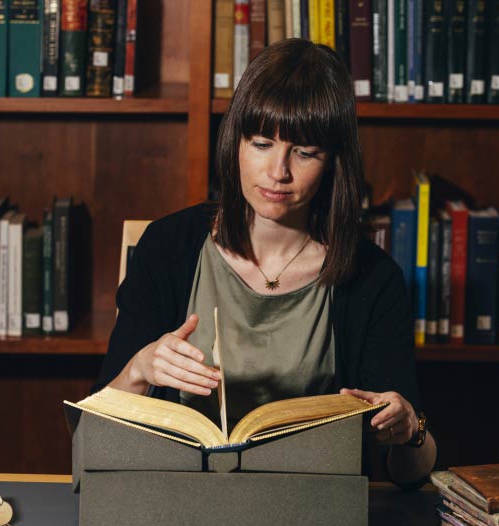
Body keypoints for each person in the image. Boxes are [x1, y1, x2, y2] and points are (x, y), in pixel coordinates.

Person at [93, 38, 436, 487]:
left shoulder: (373, 277)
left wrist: (411, 429)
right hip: (178, 499)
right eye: (260, 143)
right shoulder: (167, 247)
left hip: (312, 506)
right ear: (235, 142)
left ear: (334, 162)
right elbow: (96, 433)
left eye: (305, 152)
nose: (279, 172)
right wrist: (140, 368)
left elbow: (407, 476)